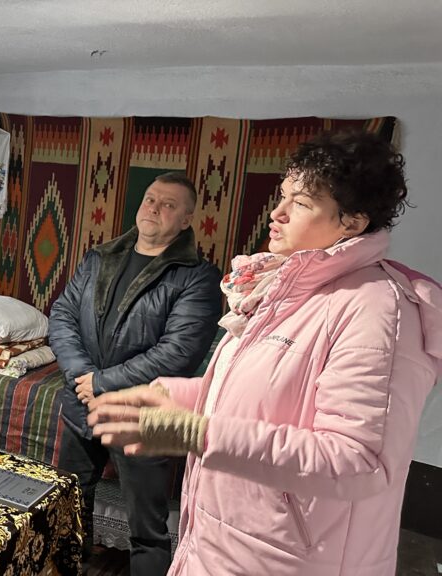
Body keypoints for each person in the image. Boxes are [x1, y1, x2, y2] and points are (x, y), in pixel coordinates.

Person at [88, 130, 441, 576]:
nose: (277, 212)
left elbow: (358, 461)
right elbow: (265, 398)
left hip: (293, 559)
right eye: (283, 195)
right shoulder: (287, 288)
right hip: (228, 541)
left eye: (302, 203)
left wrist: (196, 432)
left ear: (351, 223)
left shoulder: (378, 310)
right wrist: (175, 397)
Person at [49, 172, 222, 574]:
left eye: (168, 204)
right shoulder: (100, 257)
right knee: (69, 504)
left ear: (186, 219)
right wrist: (83, 375)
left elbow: (178, 353)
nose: (154, 208)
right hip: (81, 405)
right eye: (150, 199)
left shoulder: (198, 277)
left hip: (143, 415)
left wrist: (102, 383)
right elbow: (62, 315)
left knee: (147, 529)